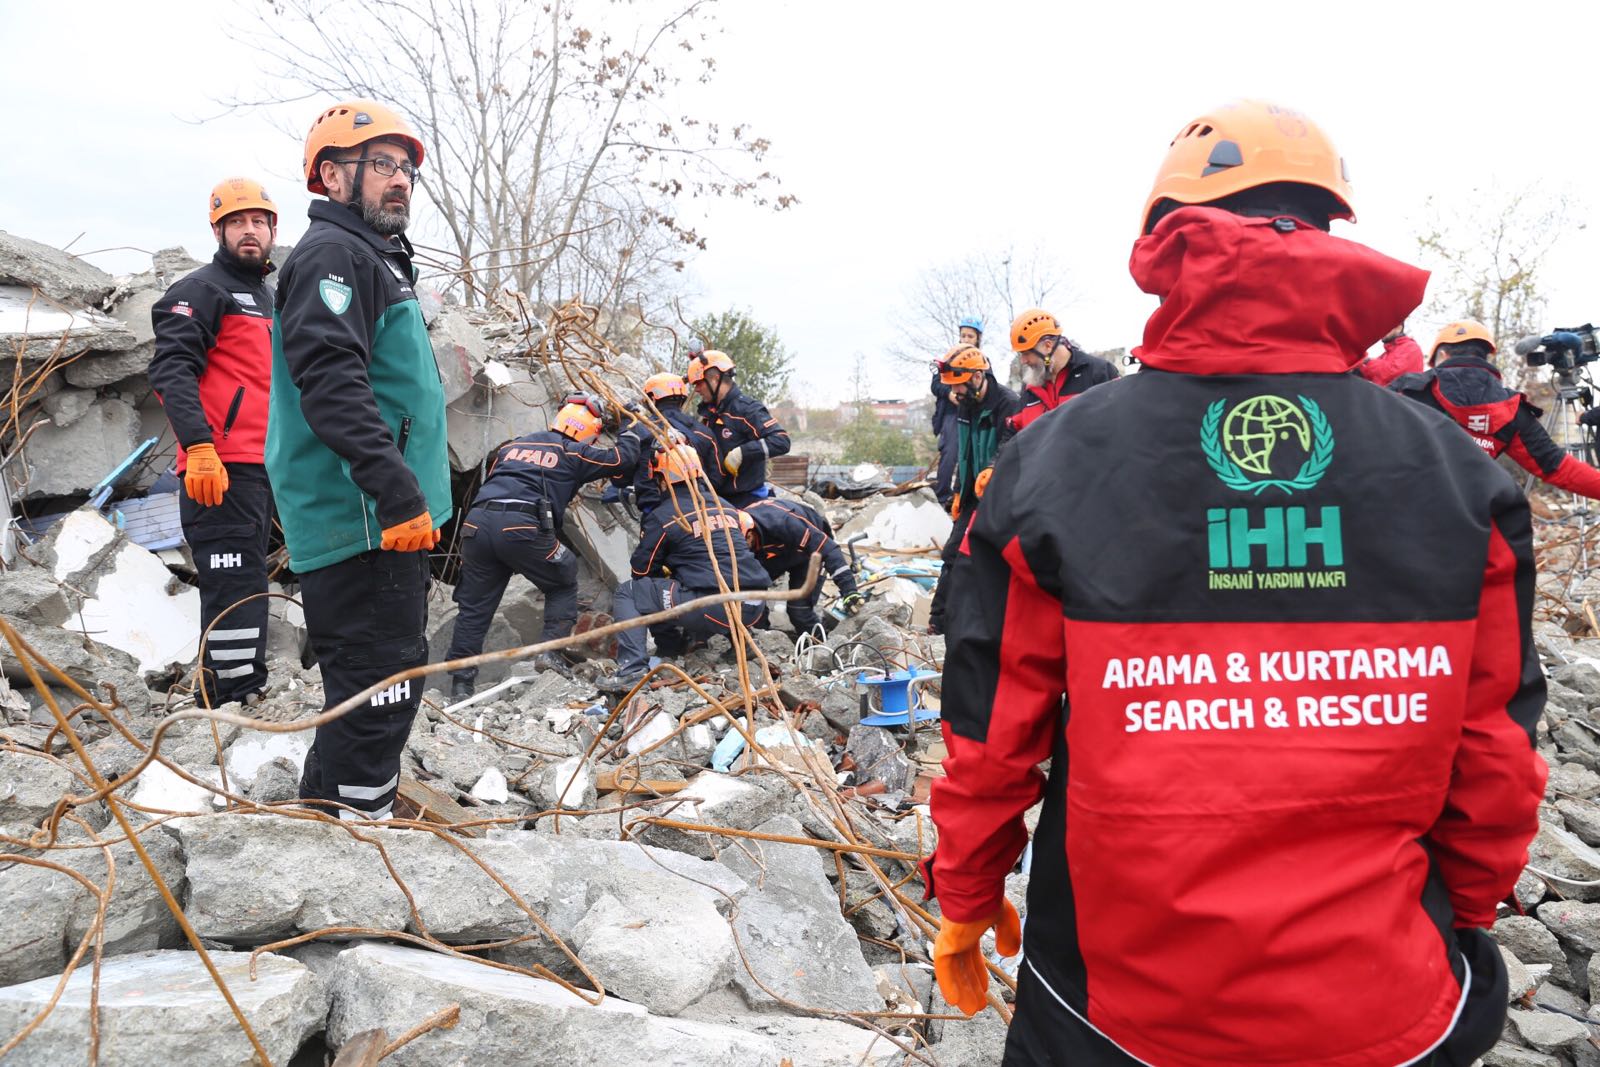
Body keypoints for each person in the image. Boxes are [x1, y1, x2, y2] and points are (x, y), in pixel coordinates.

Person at [925, 99, 1545, 1066]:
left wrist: (966, 896)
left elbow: (991, 734)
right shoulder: (1460, 477)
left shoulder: (1055, 461)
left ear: (1164, 234)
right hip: (1387, 1007)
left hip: (1116, 1009)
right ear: (1335, 227)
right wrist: (1454, 915)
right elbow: (1496, 751)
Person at [267, 99, 451, 822]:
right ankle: (359, 838)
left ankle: (328, 815)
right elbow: (332, 385)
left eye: (405, 168)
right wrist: (398, 493)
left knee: (372, 680)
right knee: (382, 687)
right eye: (381, 165)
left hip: (382, 514)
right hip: (364, 517)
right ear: (330, 177)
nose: (399, 180)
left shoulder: (372, 257)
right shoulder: (333, 256)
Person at [149, 178, 278, 708]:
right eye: (237, 222)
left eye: (259, 221)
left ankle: (229, 688)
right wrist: (199, 446)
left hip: (265, 467)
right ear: (219, 230)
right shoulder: (201, 290)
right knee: (235, 582)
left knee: (247, 579)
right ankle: (232, 699)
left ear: (273, 230)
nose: (250, 231)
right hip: (218, 468)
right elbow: (171, 370)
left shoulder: (269, 297)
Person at [444, 394, 648, 700]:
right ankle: (550, 653)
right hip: (522, 527)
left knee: (475, 607)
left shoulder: (512, 447)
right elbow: (621, 460)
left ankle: (461, 685)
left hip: (476, 526)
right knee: (563, 579)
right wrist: (632, 426)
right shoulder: (572, 451)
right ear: (587, 432)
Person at [598, 442, 769, 693]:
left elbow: (642, 571)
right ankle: (741, 646)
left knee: (631, 592)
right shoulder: (724, 504)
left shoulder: (666, 514)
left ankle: (632, 670)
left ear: (664, 479)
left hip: (715, 608)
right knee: (711, 578)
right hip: (755, 606)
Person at [1392, 321, 1600, 498]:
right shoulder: (1512, 409)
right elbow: (1558, 467)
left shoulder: (1407, 390)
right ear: (1485, 358)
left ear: (1444, 356)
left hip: (1398, 514)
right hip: (1467, 520)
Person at [926, 345, 1019, 635]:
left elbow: (1011, 442)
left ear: (977, 376)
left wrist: (994, 468)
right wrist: (958, 492)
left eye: (959, 385)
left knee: (996, 560)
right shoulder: (965, 403)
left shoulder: (1008, 402)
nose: (956, 393)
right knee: (953, 554)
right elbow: (963, 453)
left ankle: (995, 622)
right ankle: (938, 621)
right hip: (972, 494)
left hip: (1001, 495)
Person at [740, 496, 862, 634]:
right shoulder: (736, 538)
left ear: (750, 535)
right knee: (753, 599)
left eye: (742, 544)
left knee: (799, 611)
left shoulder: (785, 522)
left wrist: (849, 590)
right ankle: (763, 641)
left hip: (808, 554)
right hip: (772, 555)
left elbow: (829, 551)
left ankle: (817, 647)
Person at [688, 350, 791, 506]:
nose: (696, 389)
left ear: (715, 379)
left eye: (699, 383)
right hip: (716, 499)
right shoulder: (708, 415)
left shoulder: (746, 410)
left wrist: (742, 453)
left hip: (747, 501)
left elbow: (781, 441)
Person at [612, 372, 717, 521]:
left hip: (656, 512)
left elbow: (619, 478)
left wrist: (624, 425)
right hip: (701, 512)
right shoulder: (705, 433)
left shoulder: (640, 430)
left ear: (653, 399)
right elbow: (716, 478)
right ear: (682, 399)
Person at [1005, 308, 1119, 433]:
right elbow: (1013, 437)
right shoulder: (1029, 388)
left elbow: (1120, 428)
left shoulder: (1099, 372)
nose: (1023, 361)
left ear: (1048, 346)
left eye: (1026, 353)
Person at [931, 315, 984, 507]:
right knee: (951, 452)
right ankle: (942, 496)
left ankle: (969, 494)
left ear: (977, 338)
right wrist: (949, 394)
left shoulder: (982, 361)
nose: (966, 340)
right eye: (963, 335)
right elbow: (936, 385)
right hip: (952, 413)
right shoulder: (948, 358)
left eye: (970, 336)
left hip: (975, 414)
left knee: (975, 454)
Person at [1355, 323, 1425, 386]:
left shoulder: (1411, 347)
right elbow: (1373, 372)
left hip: (1396, 399)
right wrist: (1357, 366)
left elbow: (1392, 373)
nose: (1382, 331)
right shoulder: (1388, 352)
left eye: (1386, 327)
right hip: (1385, 397)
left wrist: (1367, 361)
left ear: (1398, 328)